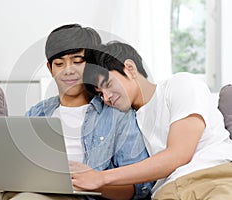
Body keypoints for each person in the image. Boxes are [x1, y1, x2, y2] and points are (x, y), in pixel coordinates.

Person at [71, 41, 232, 199]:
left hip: (210, 177)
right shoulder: (128, 121)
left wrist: (101, 177)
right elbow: (134, 189)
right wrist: (83, 183)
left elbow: (179, 155)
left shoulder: (180, 84)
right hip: (168, 192)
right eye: (100, 93)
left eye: (108, 84)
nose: (106, 97)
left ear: (130, 68)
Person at [19, 24, 153, 200]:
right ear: (50, 69)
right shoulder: (37, 113)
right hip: (23, 188)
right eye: (59, 63)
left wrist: (91, 182)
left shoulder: (117, 114)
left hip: (72, 196)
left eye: (77, 61)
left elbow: (140, 187)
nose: (68, 70)